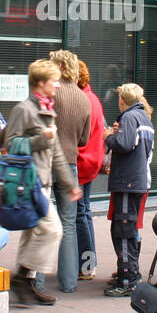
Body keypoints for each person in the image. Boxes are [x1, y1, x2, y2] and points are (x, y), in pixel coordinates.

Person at [0, 59, 81, 306]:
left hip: (42, 181)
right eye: (54, 81)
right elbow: (13, 145)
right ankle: (20, 277)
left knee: (33, 234)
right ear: (40, 83)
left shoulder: (48, 109)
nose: (58, 86)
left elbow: (57, 153)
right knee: (53, 230)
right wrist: (42, 138)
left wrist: (70, 183)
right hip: (29, 184)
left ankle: (26, 283)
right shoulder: (24, 109)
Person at [102, 83, 155, 296]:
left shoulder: (129, 117)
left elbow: (123, 144)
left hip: (127, 181)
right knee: (129, 229)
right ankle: (130, 272)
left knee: (123, 231)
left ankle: (127, 279)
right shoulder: (145, 118)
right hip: (137, 181)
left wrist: (108, 136)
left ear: (122, 100)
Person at [47, 49, 91, 294]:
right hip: (70, 164)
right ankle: (69, 283)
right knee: (69, 224)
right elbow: (84, 139)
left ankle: (37, 281)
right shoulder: (84, 98)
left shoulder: (52, 92)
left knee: (41, 222)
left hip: (46, 160)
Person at [75, 59, 106, 281]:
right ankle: (88, 263)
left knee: (80, 215)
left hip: (81, 162)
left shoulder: (82, 100)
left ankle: (86, 265)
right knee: (84, 213)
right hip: (90, 161)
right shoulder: (92, 98)